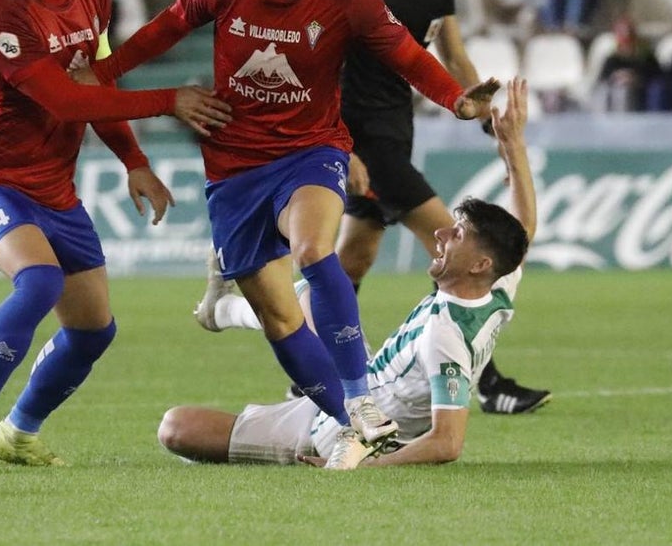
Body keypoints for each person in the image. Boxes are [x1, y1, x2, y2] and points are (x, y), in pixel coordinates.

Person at [80, 0, 500, 470]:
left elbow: (407, 53)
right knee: (280, 317)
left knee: (313, 251)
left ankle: (360, 400)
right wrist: (103, 74)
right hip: (233, 164)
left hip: (311, 150)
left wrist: (455, 99)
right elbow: (164, 30)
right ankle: (343, 420)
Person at [195, 0, 548, 415]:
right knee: (463, 245)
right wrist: (342, 151)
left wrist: (478, 110)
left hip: (396, 130)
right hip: (359, 141)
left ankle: (287, 359)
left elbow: (449, 53)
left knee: (349, 262)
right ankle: (487, 382)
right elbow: (315, 66)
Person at [0, 0, 232, 472]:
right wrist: (169, 97)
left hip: (55, 189)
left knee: (95, 329)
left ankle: (18, 432)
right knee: (39, 281)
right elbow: (67, 102)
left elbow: (95, 82)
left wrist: (136, 161)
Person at [158, 78, 537, 468]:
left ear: (479, 264)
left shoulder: (446, 338)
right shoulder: (497, 286)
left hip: (345, 433)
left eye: (456, 235)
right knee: (311, 296)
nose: (440, 234)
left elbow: (446, 442)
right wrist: (513, 144)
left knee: (176, 427)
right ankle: (221, 310)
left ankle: (225, 318)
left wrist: (359, 466)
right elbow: (523, 229)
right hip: (361, 383)